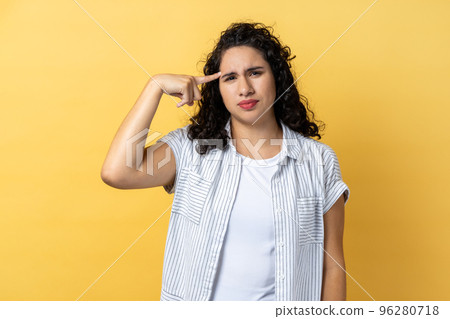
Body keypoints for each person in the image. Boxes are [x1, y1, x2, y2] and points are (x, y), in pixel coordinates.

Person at [101, 21, 350, 301]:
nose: (244, 88)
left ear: (276, 78)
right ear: (217, 89)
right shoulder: (191, 149)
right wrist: (154, 87)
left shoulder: (318, 161)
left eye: (255, 73)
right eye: (230, 78)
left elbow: (333, 266)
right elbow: (117, 171)